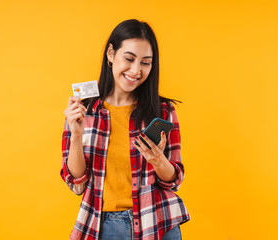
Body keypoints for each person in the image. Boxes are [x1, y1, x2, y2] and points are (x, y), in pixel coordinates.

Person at [60, 19, 190, 240]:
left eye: (145, 62)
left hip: (157, 222)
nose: (136, 70)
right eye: (129, 59)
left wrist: (158, 160)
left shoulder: (163, 112)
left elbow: (174, 180)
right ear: (111, 54)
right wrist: (76, 136)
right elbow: (77, 183)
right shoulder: (84, 110)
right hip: (104, 225)